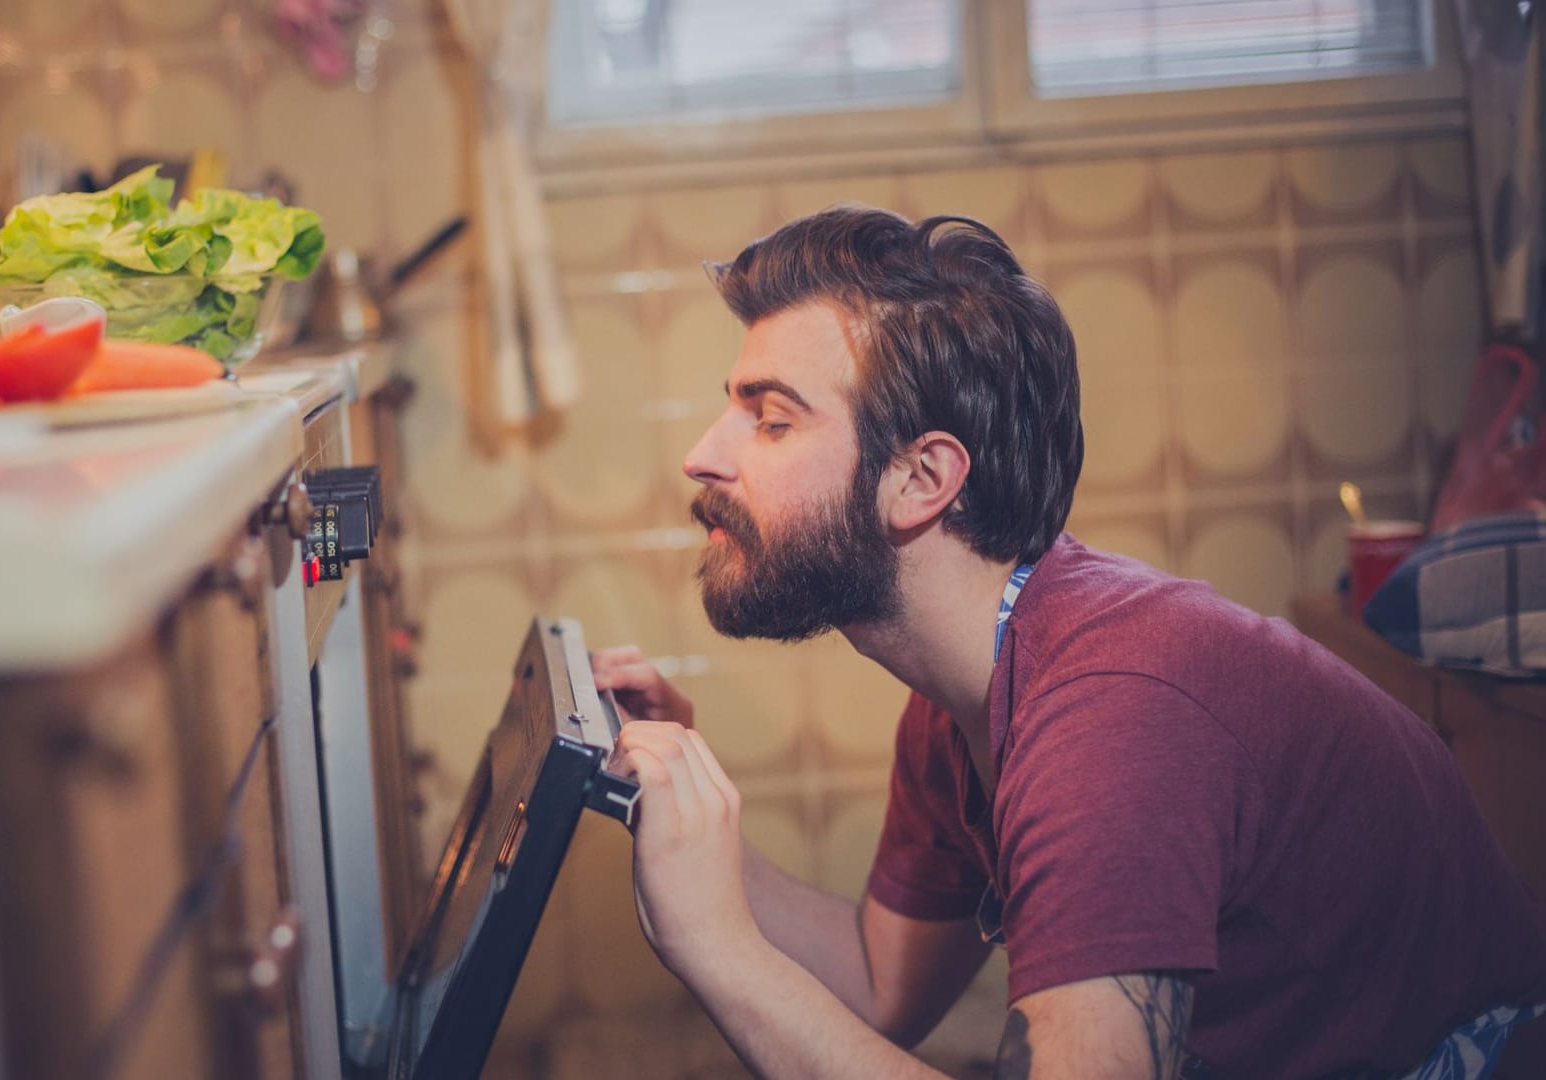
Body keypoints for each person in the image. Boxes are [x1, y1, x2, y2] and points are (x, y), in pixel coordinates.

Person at [591, 206, 1546, 1079]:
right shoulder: (961, 698)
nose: (704, 454)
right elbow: (883, 982)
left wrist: (720, 951)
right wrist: (683, 816)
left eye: (770, 418)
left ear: (922, 479)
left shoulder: (1113, 718)